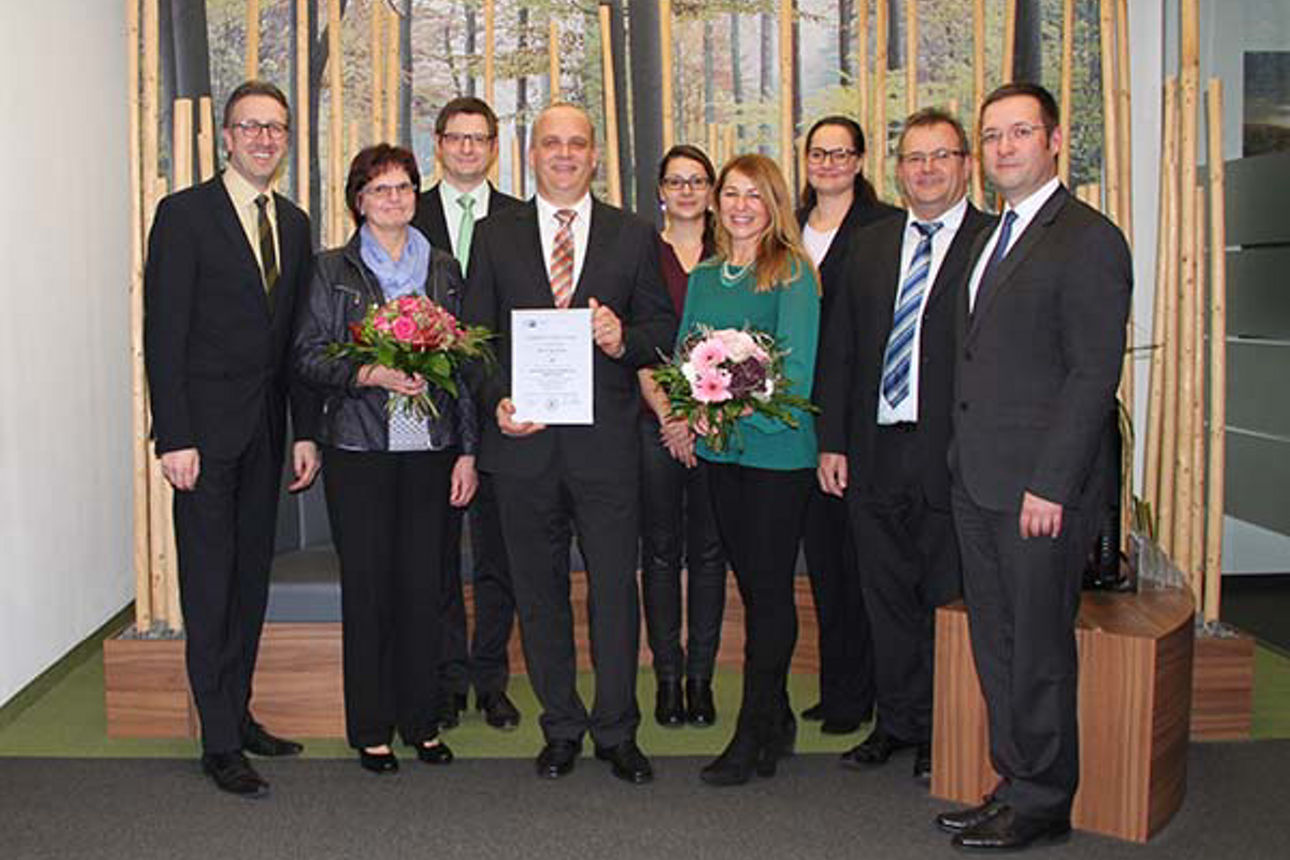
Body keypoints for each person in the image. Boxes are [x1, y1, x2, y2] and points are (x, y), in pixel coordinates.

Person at [935, 83, 1131, 852]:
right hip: (978, 480)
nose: (1004, 148)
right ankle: (1014, 783)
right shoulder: (995, 237)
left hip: (1037, 492)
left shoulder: (1087, 237)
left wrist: (1051, 482)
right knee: (1000, 645)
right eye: (992, 136)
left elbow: (1092, 376)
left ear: (1053, 141)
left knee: (1040, 649)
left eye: (1020, 133)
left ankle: (1045, 799)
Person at [462, 103, 676, 784]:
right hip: (523, 449)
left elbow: (661, 331)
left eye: (576, 143)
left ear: (594, 155)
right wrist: (496, 397)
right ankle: (561, 726)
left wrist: (624, 340)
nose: (563, 154)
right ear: (531, 154)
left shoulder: (634, 234)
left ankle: (617, 730)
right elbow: (475, 338)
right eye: (551, 143)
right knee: (538, 592)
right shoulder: (496, 235)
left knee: (615, 590)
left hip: (607, 449)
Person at [144, 80, 319, 798]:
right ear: (225, 136)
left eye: (275, 128)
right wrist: (174, 436)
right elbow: (164, 331)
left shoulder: (297, 222)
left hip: (268, 436)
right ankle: (218, 741)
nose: (264, 139)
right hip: (204, 441)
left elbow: (299, 341)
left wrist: (304, 432)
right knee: (210, 585)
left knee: (249, 583)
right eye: (250, 127)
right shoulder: (184, 215)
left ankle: (237, 712)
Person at [816, 108, 993, 782]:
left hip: (952, 452)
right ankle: (896, 721)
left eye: (940, 156)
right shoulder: (871, 243)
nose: (926, 169)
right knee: (882, 593)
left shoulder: (991, 242)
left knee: (944, 596)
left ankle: (941, 731)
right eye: (914, 157)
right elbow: (842, 349)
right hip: (873, 446)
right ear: (897, 168)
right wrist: (832, 441)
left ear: (965, 165)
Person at [295, 144, 476, 775]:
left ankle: (421, 722)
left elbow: (466, 368)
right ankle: (371, 728)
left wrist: (468, 452)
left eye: (403, 188)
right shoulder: (331, 271)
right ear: (358, 201)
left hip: (431, 450)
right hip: (360, 450)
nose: (393, 200)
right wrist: (368, 371)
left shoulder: (445, 270)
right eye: (379, 190)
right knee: (369, 591)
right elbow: (309, 355)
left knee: (425, 589)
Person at [676, 154, 821, 787]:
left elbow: (793, 376)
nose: (739, 206)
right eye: (730, 194)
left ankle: (753, 731)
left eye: (753, 196)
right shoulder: (706, 275)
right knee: (751, 585)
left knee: (767, 592)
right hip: (719, 456)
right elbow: (685, 356)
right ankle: (779, 716)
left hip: (774, 453)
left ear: (774, 205)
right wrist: (694, 411)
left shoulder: (791, 272)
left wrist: (727, 411)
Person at [412, 96, 523, 732]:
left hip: (498, 401)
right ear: (438, 143)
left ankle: (492, 680)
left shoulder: (517, 218)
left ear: (495, 147)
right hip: (425, 408)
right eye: (456, 138)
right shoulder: (404, 210)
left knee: (496, 554)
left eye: (479, 139)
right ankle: (448, 676)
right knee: (436, 554)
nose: (467, 149)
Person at [796, 116, 899, 735]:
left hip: (854, 422)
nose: (829, 162)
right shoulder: (791, 228)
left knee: (866, 567)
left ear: (860, 161)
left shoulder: (882, 230)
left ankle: (875, 694)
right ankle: (840, 689)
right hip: (796, 418)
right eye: (819, 152)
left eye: (842, 153)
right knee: (826, 564)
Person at [637, 145, 726, 728]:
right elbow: (642, 344)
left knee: (712, 555)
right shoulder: (643, 251)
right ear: (661, 192)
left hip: (724, 424)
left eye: (698, 181)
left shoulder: (734, 252)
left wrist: (708, 418)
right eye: (676, 181)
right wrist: (672, 418)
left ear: (712, 191)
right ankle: (668, 678)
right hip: (654, 424)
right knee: (662, 552)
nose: (687, 191)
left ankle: (702, 678)